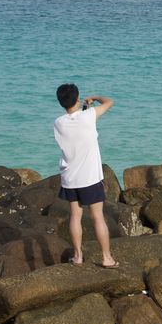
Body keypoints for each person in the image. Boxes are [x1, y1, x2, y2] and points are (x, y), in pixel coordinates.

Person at [54, 83, 119, 268]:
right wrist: (95, 97)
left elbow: (74, 122)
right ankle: (106, 258)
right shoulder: (88, 115)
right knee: (97, 216)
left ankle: (78, 256)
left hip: (70, 178)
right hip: (89, 177)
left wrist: (83, 110)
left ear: (61, 102)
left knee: (75, 216)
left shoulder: (58, 123)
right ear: (77, 98)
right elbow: (109, 102)